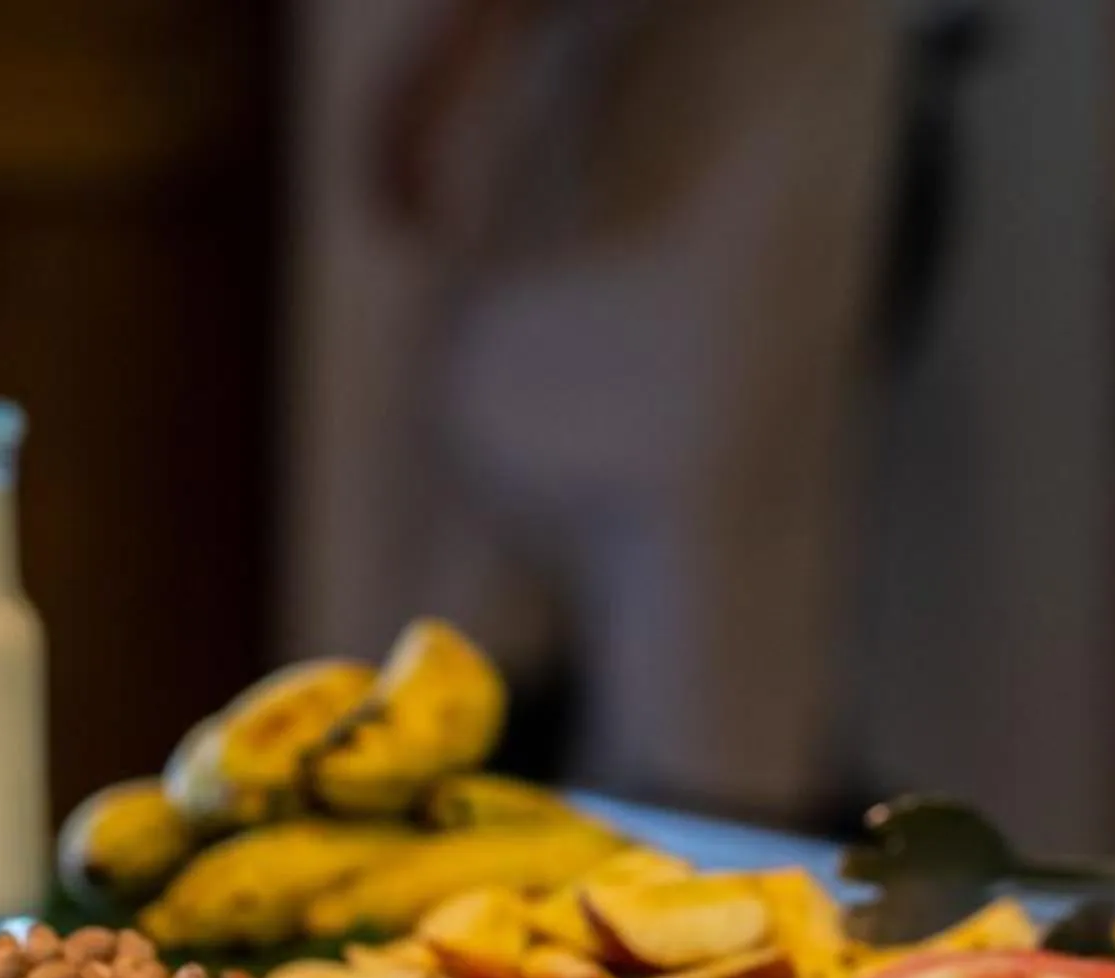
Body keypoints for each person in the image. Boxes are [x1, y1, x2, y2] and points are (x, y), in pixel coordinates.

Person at [294, 0, 909, 823]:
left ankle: (713, 899)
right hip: (575, 171)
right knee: (470, 668)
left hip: (728, 179)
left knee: (707, 678)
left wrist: (456, 47)